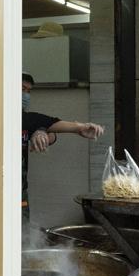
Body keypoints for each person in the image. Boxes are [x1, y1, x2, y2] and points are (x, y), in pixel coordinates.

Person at [21, 73, 104, 223]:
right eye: (22, 89)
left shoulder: (27, 118)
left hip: (20, 192)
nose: (26, 95)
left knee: (22, 232)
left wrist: (80, 128)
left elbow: (52, 125)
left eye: (28, 91)